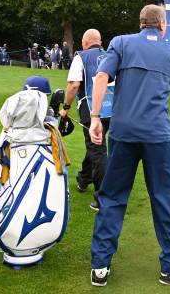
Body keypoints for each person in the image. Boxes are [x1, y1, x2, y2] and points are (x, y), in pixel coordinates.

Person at [88, 4, 170, 286]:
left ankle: (100, 267)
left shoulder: (120, 43)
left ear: (140, 23)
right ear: (162, 25)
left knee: (112, 197)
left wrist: (96, 117)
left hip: (123, 133)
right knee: (164, 197)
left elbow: (101, 77)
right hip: (158, 137)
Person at [60, 29, 110, 211]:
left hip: (91, 109)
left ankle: (102, 198)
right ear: (100, 41)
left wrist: (65, 108)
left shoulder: (81, 56)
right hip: (113, 109)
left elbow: (74, 85)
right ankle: (84, 179)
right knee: (95, 146)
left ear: (85, 42)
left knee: (97, 151)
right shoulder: (111, 55)